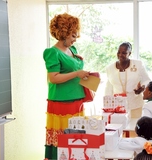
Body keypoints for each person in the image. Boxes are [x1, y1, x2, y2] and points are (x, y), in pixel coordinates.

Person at [43, 13, 90, 160]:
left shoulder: (73, 50)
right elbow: (54, 78)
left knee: (77, 138)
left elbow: (73, 70)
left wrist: (80, 67)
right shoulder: (52, 52)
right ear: (64, 33)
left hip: (77, 100)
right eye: (73, 36)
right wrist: (76, 73)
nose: (76, 39)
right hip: (62, 102)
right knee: (63, 140)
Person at [104, 42, 151, 118]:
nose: (120, 55)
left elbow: (147, 80)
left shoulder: (138, 65)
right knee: (119, 127)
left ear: (129, 53)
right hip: (117, 106)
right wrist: (107, 105)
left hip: (135, 103)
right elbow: (109, 88)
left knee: (134, 127)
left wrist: (142, 87)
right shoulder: (110, 68)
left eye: (124, 53)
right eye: (118, 52)